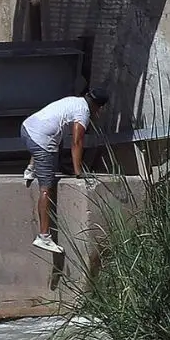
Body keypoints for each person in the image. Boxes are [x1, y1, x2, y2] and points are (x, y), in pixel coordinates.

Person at [20, 87, 109, 254]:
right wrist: (78, 172)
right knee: (46, 188)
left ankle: (31, 168)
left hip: (27, 129)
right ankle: (44, 237)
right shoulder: (83, 113)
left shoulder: (74, 101)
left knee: (54, 140)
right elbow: (77, 141)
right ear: (99, 107)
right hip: (40, 140)